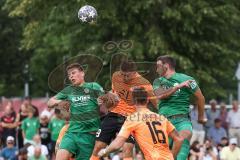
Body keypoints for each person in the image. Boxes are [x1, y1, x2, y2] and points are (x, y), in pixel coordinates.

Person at [90, 60, 157, 160]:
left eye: (127, 75)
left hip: (131, 118)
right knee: (98, 147)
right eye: (123, 75)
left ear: (134, 73)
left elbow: (156, 103)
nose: (124, 78)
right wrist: (104, 97)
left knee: (127, 148)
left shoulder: (145, 84)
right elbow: (113, 95)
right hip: (113, 114)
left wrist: (166, 115)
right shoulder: (116, 77)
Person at [97, 87, 183, 160]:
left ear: (133, 101)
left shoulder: (133, 119)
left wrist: (104, 151)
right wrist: (173, 157)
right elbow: (178, 139)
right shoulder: (161, 118)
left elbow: (118, 143)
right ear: (148, 100)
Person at [47, 63, 104, 160]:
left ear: (82, 73)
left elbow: (106, 100)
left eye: (73, 73)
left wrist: (104, 99)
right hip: (72, 132)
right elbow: (50, 102)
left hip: (89, 136)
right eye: (69, 75)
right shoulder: (69, 90)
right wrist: (61, 102)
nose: (71, 76)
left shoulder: (94, 86)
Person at [153, 55, 205, 160]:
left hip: (182, 120)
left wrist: (201, 116)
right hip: (164, 121)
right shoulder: (158, 82)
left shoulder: (188, 79)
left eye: (158, 66)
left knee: (183, 140)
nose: (156, 69)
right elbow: (160, 95)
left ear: (166, 66)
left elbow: (201, 98)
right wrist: (178, 86)